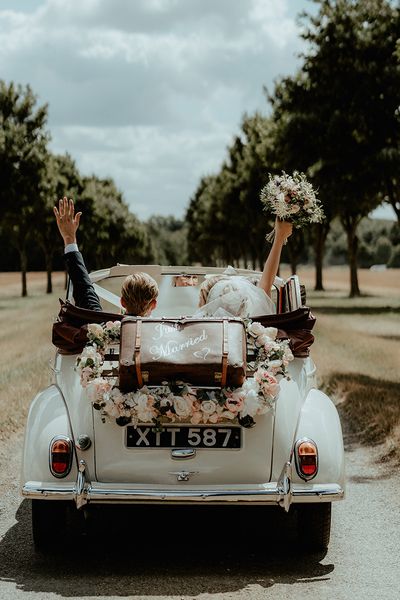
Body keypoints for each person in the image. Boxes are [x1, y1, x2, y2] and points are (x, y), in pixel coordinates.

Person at [54, 197, 158, 316]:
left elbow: (83, 289)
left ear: (122, 302)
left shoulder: (101, 329)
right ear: (154, 304)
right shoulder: (168, 334)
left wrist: (69, 237)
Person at [196, 218, 292, 318]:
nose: (233, 297)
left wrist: (279, 237)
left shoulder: (200, 330)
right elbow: (266, 284)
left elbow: (266, 284)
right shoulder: (256, 322)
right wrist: (279, 238)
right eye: (226, 293)